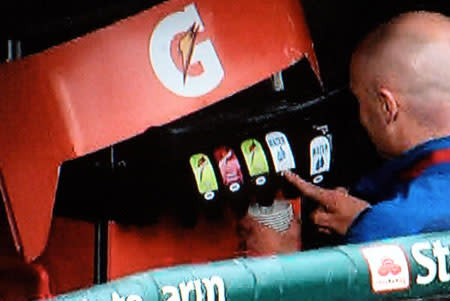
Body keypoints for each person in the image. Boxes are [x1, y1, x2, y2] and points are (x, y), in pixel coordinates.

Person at [241, 11, 450, 254]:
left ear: (387, 107)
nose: (359, 117)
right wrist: (361, 215)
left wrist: (280, 262)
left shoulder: (390, 227)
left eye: (359, 101)